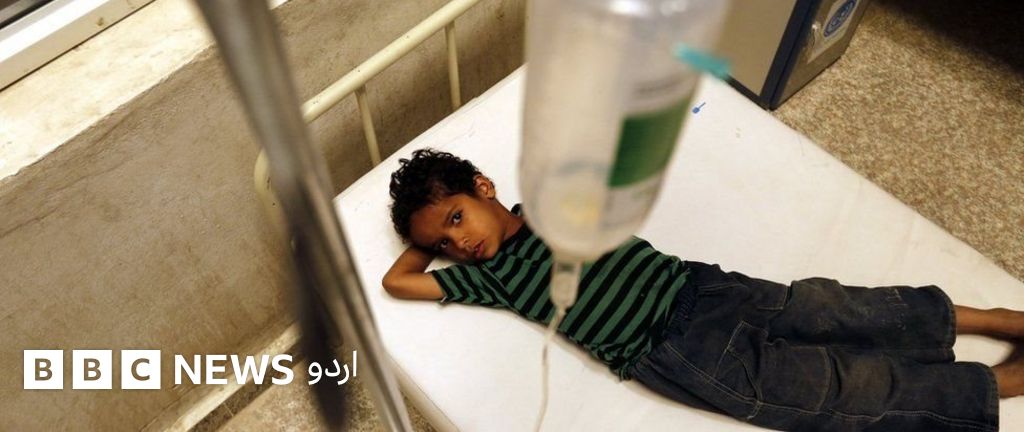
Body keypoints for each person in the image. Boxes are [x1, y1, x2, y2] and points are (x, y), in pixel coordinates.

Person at [382, 148, 1024, 431]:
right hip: (675, 353)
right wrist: (426, 236)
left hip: (702, 285)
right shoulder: (488, 278)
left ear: (485, 188)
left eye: (458, 218)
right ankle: (992, 385)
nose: (458, 243)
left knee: (834, 306)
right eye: (444, 242)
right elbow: (397, 281)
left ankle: (989, 318)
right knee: (825, 391)